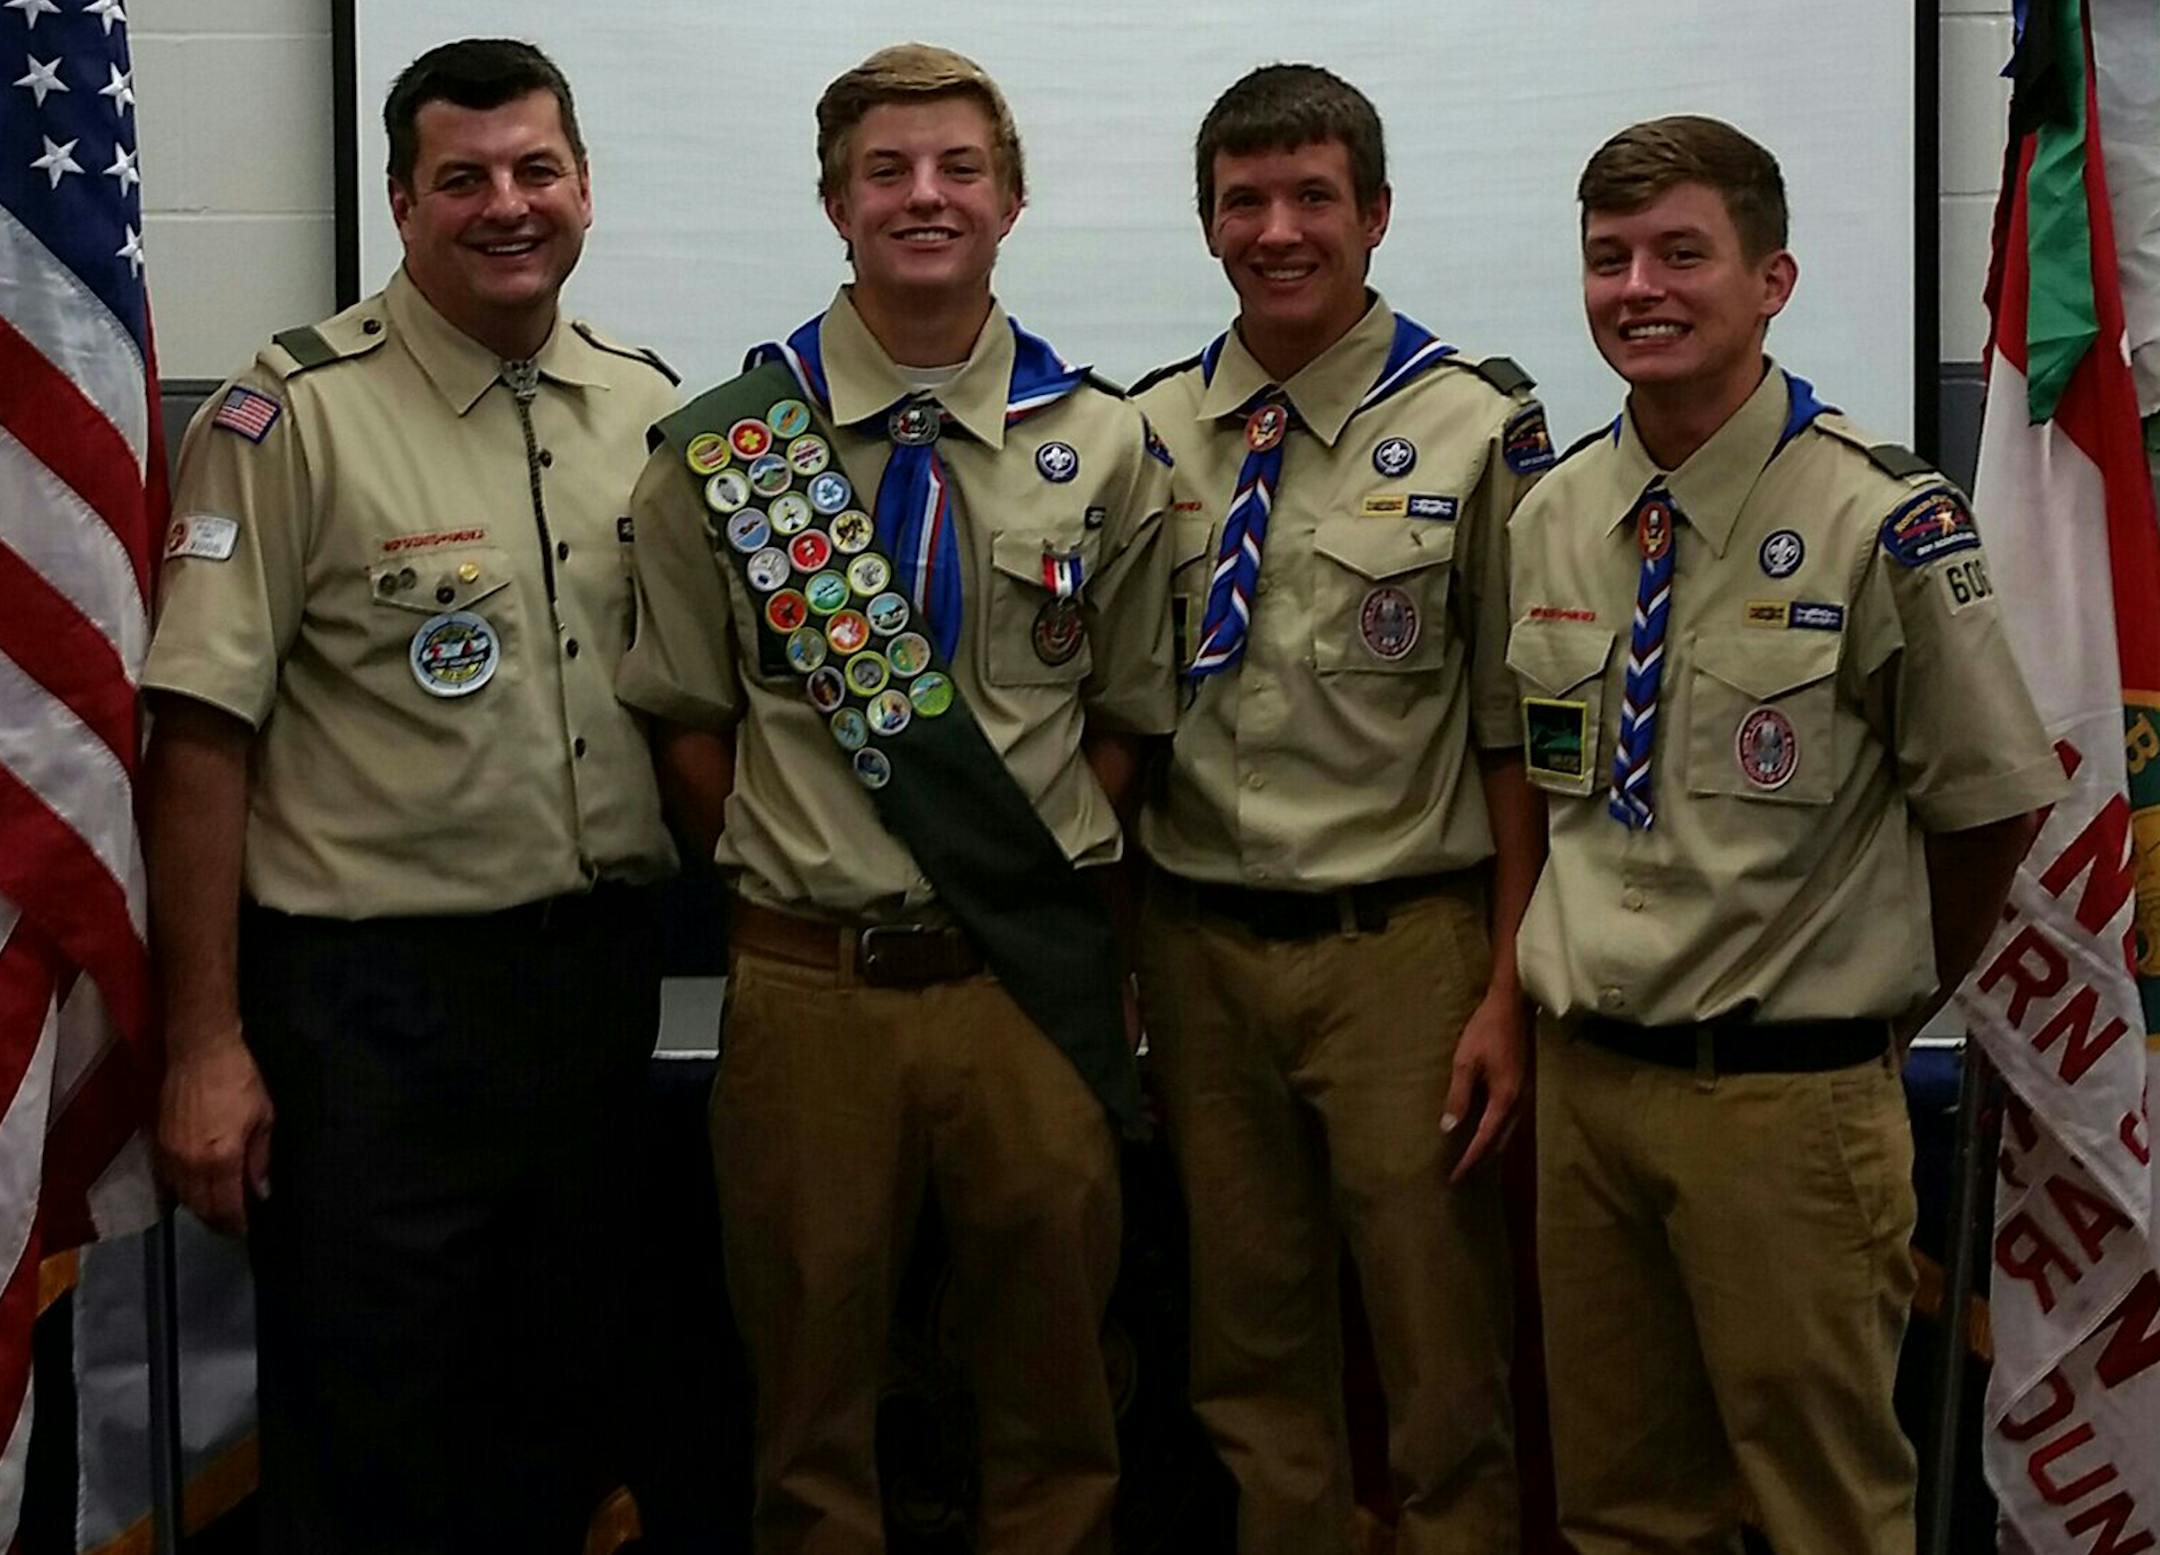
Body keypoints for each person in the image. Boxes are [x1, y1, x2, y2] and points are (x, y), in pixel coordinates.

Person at [614, 43, 1173, 1555]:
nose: (924, 198)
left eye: (958, 169)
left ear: (1010, 199)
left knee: (1059, 1410)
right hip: (811, 997)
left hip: (1026, 989)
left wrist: (1015, 875)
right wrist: (824, 857)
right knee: (810, 1420)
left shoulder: (1107, 443)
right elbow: (688, 726)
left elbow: (1124, 721)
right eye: (887, 171)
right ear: (833, 201)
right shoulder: (731, 449)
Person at [144, 39, 678, 1555]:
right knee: (377, 1438)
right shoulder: (288, 415)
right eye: (464, 178)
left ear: (582, 187)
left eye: (536, 170)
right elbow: (197, 735)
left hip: (589, 988)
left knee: (561, 1418)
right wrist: (203, 1045)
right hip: (372, 1013)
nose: (506, 205)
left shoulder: (645, 406)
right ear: (401, 201)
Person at [1508, 115, 2063, 1555]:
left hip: (1788, 1108)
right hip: (1591, 1097)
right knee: (1622, 1511)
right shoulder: (1560, 512)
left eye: (1682, 253)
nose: (1641, 287)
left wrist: (1880, 1005)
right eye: (1609, 258)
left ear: (1774, 279)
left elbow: (1992, 804)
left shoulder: (1881, 517)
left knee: (1822, 1509)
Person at [1129, 63, 1547, 1555]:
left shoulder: (1480, 428)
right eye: (1246, 201)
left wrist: (1507, 984)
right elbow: (1124, 727)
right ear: (1208, 225)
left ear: (1374, 214)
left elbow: (1518, 741)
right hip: (1197, 949)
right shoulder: (1151, 434)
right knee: (1246, 1359)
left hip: (1406, 959)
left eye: (1314, 196)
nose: (1280, 230)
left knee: (1441, 1355)